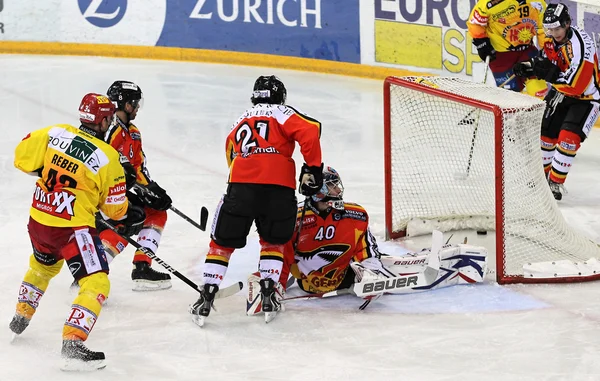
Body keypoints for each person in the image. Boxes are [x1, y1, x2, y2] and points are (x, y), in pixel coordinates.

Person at [9, 93, 145, 371]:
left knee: (42, 267)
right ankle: (72, 342)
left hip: (39, 220)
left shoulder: (54, 132)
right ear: (105, 119)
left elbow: (22, 158)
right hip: (72, 230)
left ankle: (21, 315)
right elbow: (116, 211)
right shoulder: (108, 156)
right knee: (97, 282)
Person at [246, 167, 487, 312]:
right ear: (319, 189)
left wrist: (370, 275)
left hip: (345, 277)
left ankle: (461, 260)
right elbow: (281, 254)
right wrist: (271, 283)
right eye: (331, 187)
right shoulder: (294, 218)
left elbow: (368, 251)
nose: (338, 191)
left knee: (395, 267)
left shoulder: (354, 214)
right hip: (309, 282)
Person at [190, 75, 323, 326]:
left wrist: (243, 181)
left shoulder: (241, 119)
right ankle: (269, 292)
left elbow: (230, 152)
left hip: (241, 185)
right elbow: (310, 130)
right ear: (280, 97)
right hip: (279, 186)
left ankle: (207, 292)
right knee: (273, 240)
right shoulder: (282, 112)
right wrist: (313, 168)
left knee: (222, 242)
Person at [513, 3, 600, 200]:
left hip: (587, 98)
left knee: (568, 139)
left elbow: (577, 86)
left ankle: (555, 182)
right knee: (545, 134)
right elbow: (548, 61)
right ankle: (543, 176)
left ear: (567, 23)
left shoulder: (581, 46)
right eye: (549, 29)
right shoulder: (552, 39)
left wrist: (549, 75)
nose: (553, 33)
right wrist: (530, 67)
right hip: (562, 93)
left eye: (557, 28)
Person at [97, 81, 174, 290]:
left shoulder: (133, 132)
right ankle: (90, 275)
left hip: (117, 194)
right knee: (125, 221)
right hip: (100, 197)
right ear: (125, 104)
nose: (138, 107)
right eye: (135, 103)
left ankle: (142, 267)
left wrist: (152, 189)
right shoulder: (108, 130)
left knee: (155, 212)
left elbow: (137, 167)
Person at [467, 0, 549, 97]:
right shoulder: (489, 3)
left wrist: (547, 51)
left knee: (538, 90)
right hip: (500, 56)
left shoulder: (537, 2)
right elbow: (475, 23)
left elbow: (544, 28)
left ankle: (537, 111)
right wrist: (482, 43)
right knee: (510, 97)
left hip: (526, 50)